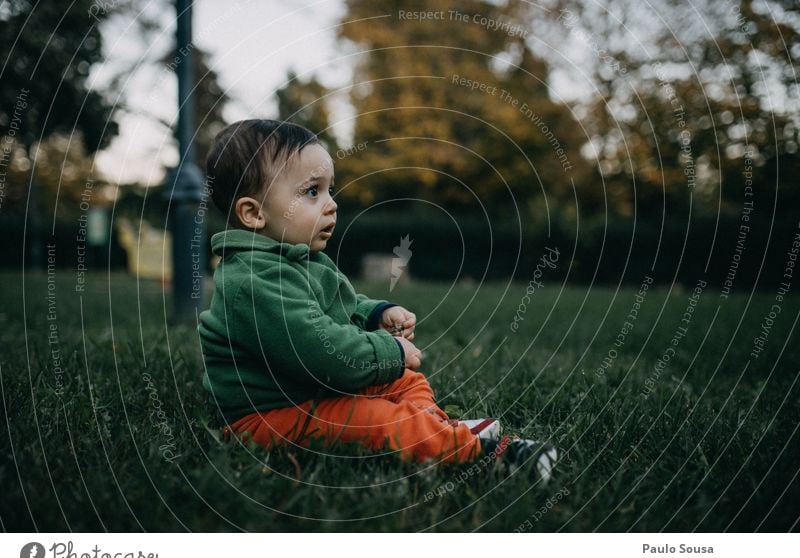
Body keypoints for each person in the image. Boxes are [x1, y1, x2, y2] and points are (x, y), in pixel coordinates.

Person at [197, 119, 556, 481]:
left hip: (308, 392)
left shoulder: (303, 261)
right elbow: (322, 353)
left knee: (406, 383)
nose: (331, 205)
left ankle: (436, 431)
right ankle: (488, 456)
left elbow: (343, 305)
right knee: (374, 420)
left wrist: (376, 315)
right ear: (254, 213)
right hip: (268, 415)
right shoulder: (254, 282)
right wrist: (389, 351)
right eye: (311, 192)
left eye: (329, 190)